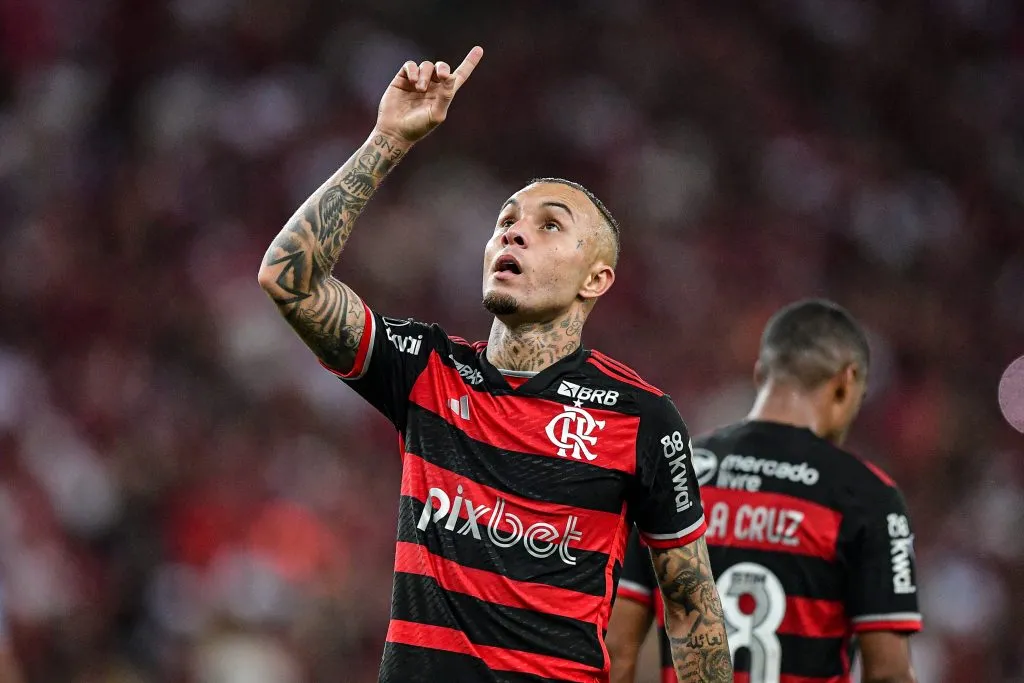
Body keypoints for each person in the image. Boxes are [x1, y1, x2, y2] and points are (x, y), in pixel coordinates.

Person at [257, 47, 732, 683]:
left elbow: (691, 606)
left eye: (549, 225)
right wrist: (387, 139)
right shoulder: (427, 368)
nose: (513, 232)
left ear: (596, 278)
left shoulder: (642, 417)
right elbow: (290, 281)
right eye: (505, 221)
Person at [607, 299, 921, 683]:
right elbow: (888, 673)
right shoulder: (869, 497)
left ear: (761, 374)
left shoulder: (674, 471)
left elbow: (616, 648)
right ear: (846, 383)